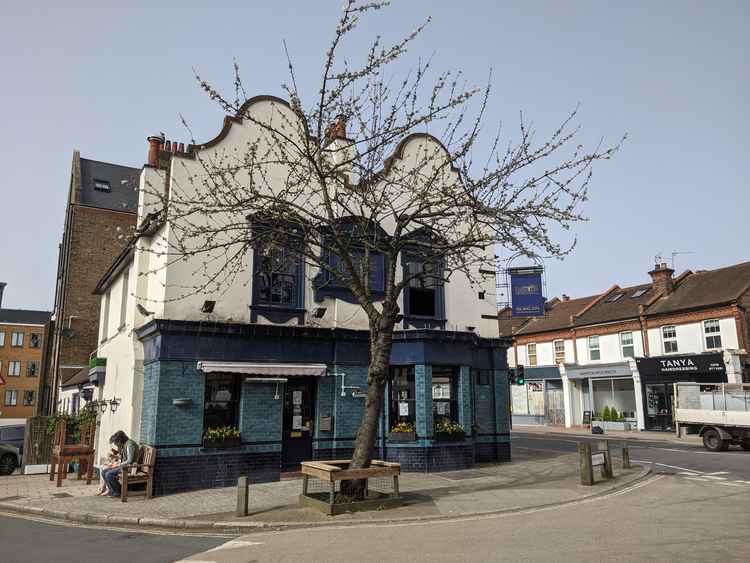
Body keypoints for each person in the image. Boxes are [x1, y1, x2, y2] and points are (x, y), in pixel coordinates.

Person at [102, 431, 139, 498]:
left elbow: (130, 460)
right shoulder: (125, 444)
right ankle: (112, 491)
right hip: (124, 466)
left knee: (109, 474)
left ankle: (118, 491)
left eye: (116, 442)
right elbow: (125, 457)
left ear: (120, 440)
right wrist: (115, 457)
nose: (115, 444)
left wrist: (117, 465)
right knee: (104, 471)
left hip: (129, 468)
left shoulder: (130, 445)